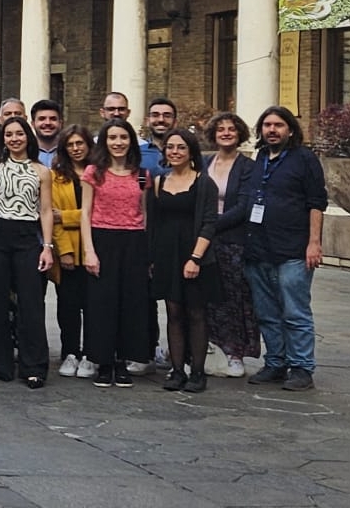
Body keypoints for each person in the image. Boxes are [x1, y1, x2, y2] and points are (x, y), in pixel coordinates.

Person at [243, 107, 326, 392]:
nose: (272, 130)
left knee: (295, 312)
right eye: (267, 125)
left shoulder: (304, 159)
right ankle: (276, 363)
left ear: (290, 129)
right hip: (259, 249)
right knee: (266, 312)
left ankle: (301, 367)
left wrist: (314, 242)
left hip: (293, 250)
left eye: (278, 125)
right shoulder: (260, 158)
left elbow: (317, 203)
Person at [0, 116, 57, 388]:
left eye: (19, 134)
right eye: (9, 134)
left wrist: (47, 247)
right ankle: (1, 364)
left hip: (27, 237)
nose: (14, 139)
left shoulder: (41, 171)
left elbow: (45, 210)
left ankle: (34, 367)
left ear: (27, 137)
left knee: (31, 303)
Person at [79, 118, 149, 388]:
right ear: (104, 142)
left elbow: (144, 214)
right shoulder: (93, 172)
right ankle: (103, 362)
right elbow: (85, 212)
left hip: (133, 241)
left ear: (131, 141)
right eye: (112, 138)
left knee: (131, 304)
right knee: (101, 304)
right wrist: (89, 250)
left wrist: (147, 253)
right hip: (102, 238)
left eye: (123, 137)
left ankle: (123, 361)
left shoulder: (141, 174)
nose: (118, 143)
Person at [148, 128, 219, 393]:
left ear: (191, 152)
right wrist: (152, 259)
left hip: (195, 255)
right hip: (167, 255)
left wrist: (195, 258)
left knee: (196, 313)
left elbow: (210, 223)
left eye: (181, 147)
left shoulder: (204, 183)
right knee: (174, 312)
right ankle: (177, 371)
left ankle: (197, 372)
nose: (175, 152)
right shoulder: (159, 182)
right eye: (170, 147)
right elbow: (154, 223)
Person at [201, 113, 260, 378]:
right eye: (221, 129)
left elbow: (244, 206)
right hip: (203, 240)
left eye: (231, 129)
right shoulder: (204, 162)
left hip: (232, 240)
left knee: (234, 297)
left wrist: (210, 225)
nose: (226, 133)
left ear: (239, 134)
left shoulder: (247, 166)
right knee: (206, 298)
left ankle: (235, 353)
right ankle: (208, 348)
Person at [48, 125, 95, 380]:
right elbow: (51, 217)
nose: (76, 149)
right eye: (70, 144)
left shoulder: (98, 173)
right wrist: (64, 251)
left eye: (80, 143)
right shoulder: (56, 176)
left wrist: (66, 216)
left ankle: (91, 353)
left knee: (93, 304)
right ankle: (70, 352)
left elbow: (97, 213)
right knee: (68, 305)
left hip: (93, 248)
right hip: (67, 251)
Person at [30, 100, 63, 166]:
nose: (48, 123)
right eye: (42, 119)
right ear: (33, 124)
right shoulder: (25, 151)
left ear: (60, 123)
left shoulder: (69, 151)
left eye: (53, 119)